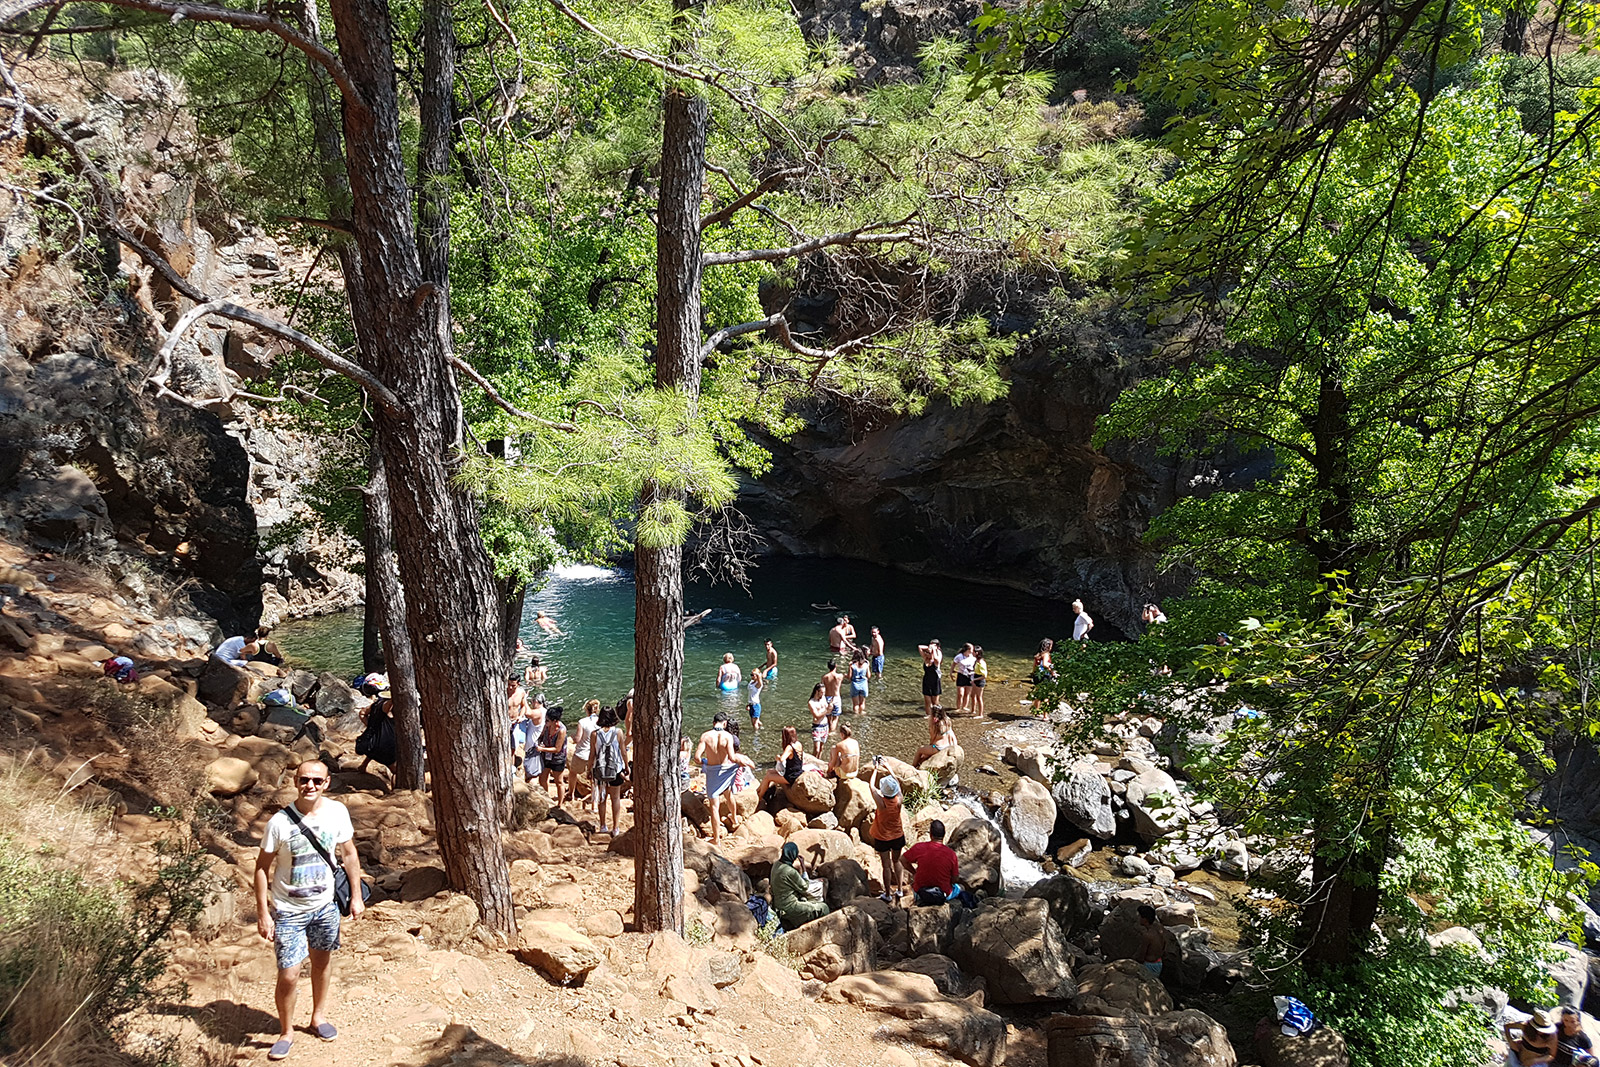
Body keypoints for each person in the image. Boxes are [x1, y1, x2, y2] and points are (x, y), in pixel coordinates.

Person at [254, 760, 363, 1061]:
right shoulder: (279, 822)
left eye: (317, 780)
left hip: (325, 905)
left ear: (327, 783)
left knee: (321, 962)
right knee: (289, 974)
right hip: (289, 909)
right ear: (295, 782)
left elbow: (349, 853)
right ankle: (286, 1031)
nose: (310, 786)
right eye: (304, 780)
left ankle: (318, 1016)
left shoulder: (337, 812)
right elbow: (262, 868)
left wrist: (356, 896)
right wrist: (263, 913)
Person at [694, 712, 753, 845]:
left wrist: (705, 761)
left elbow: (697, 758)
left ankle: (717, 839)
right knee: (728, 794)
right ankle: (735, 820)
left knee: (714, 807)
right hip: (726, 771)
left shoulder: (705, 736)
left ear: (713, 722)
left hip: (713, 772)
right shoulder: (728, 736)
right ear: (725, 723)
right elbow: (732, 758)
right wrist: (743, 760)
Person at [903, 820, 968, 906]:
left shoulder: (919, 847)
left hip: (920, 892)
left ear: (930, 835)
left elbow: (902, 860)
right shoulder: (951, 854)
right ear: (944, 835)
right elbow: (954, 879)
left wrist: (914, 873)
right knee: (961, 887)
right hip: (943, 893)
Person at [867, 766, 906, 902]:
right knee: (897, 860)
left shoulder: (881, 802)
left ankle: (888, 894)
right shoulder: (898, 800)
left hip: (882, 837)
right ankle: (900, 890)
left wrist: (875, 769)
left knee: (886, 866)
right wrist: (889, 767)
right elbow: (898, 785)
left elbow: (871, 786)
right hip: (897, 836)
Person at [770, 841, 830, 930]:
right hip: (790, 907)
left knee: (806, 900)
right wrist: (804, 868)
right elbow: (805, 886)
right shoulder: (790, 872)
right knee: (824, 908)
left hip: (777, 904)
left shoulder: (776, 864)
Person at [591, 704, 626, 835]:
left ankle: (603, 826)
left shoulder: (595, 734)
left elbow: (592, 754)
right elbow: (623, 752)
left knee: (602, 798)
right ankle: (616, 828)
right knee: (615, 798)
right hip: (615, 769)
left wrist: (590, 769)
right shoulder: (618, 732)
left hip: (599, 770)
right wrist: (626, 767)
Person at [756, 725, 807, 804]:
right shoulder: (798, 743)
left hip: (791, 776)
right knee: (769, 771)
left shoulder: (789, 747)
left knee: (768, 777)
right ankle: (758, 790)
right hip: (797, 771)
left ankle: (759, 797)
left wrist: (778, 757)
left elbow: (782, 759)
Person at [571, 699, 600, 812]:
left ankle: (571, 793)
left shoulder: (582, 722)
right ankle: (594, 804)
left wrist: (573, 738)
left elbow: (578, 739)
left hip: (582, 753)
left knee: (573, 773)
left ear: (586, 710)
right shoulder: (600, 721)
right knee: (595, 780)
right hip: (595, 754)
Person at [537, 706, 569, 805]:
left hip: (557, 758)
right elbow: (541, 736)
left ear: (555, 721)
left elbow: (557, 749)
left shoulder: (561, 730)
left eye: (547, 720)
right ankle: (547, 799)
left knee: (559, 782)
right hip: (546, 756)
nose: (545, 722)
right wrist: (539, 743)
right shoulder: (546, 726)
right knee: (542, 779)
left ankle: (560, 804)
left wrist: (542, 749)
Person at [1136, 905, 1165, 976]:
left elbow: (1141, 955)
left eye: (1140, 916)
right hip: (1159, 962)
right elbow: (1164, 944)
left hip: (1149, 965)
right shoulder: (1159, 930)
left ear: (1145, 920)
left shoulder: (1147, 935)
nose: (1138, 918)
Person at [919, 639, 942, 714]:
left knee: (935, 701)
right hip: (926, 680)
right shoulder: (925, 658)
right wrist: (930, 647)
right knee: (927, 700)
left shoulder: (935, 661)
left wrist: (934, 649)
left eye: (929, 653)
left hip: (935, 681)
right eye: (927, 652)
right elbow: (919, 647)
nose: (927, 654)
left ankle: (936, 715)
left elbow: (936, 659)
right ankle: (928, 715)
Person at [952, 643, 976, 713]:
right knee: (960, 694)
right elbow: (953, 664)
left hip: (970, 675)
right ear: (968, 649)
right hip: (961, 675)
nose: (973, 650)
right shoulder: (959, 656)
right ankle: (958, 707)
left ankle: (965, 706)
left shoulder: (972, 656)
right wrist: (951, 673)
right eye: (972, 649)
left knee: (967, 693)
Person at [807, 683, 831, 757]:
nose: (823, 694)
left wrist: (829, 709)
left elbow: (828, 711)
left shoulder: (823, 698)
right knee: (816, 749)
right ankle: (813, 762)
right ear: (817, 692)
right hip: (817, 726)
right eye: (822, 692)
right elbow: (816, 716)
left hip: (825, 725)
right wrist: (826, 710)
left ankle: (818, 763)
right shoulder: (811, 702)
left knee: (821, 748)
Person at [821, 659, 844, 732]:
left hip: (827, 698)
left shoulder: (824, 677)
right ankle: (832, 732)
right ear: (836, 666)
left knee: (828, 717)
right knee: (835, 717)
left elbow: (822, 689)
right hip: (836, 697)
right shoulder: (839, 676)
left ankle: (829, 731)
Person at [849, 650, 870, 714]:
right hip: (863, 685)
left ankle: (855, 715)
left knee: (855, 704)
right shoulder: (866, 665)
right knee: (862, 702)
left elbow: (849, 676)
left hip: (855, 684)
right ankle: (861, 713)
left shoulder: (852, 666)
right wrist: (868, 666)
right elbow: (868, 676)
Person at [971, 646, 987, 716]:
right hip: (975, 678)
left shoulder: (981, 662)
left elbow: (984, 676)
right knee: (972, 695)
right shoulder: (976, 661)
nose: (972, 653)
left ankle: (981, 714)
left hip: (980, 680)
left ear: (977, 653)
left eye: (973, 652)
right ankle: (973, 710)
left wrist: (974, 679)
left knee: (979, 697)